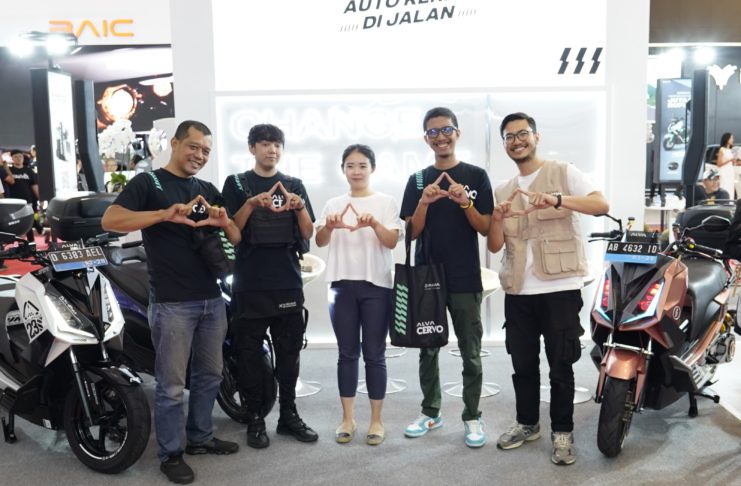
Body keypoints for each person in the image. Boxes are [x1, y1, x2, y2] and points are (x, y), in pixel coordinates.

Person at [101, 120, 241, 484]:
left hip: (212, 299)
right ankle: (171, 453)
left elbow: (235, 237)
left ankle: (200, 437)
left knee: (209, 375)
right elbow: (111, 219)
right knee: (171, 384)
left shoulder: (206, 189)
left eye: (206, 151)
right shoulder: (149, 183)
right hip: (171, 302)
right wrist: (165, 214)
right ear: (175, 143)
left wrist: (225, 223)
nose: (199, 155)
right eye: (194, 146)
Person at [487, 112, 609, 466]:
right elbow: (494, 245)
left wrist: (558, 199)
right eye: (509, 137)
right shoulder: (504, 190)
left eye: (522, 133)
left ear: (536, 137)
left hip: (560, 288)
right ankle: (527, 423)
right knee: (522, 365)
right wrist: (496, 219)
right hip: (518, 292)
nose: (516, 141)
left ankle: (562, 432)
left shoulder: (563, 172)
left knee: (560, 367)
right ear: (505, 145)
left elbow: (601, 205)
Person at [399, 107, 494, 448]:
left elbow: (485, 227)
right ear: (426, 138)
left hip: (465, 276)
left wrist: (465, 203)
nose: (441, 137)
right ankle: (431, 411)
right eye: (433, 132)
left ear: (457, 132)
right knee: (428, 350)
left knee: (471, 351)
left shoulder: (476, 176)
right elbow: (411, 233)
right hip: (427, 276)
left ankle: (472, 416)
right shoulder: (418, 180)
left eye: (446, 130)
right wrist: (424, 202)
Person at [221, 123, 318, 450]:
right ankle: (255, 418)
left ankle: (288, 415)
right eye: (264, 144)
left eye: (276, 144)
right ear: (252, 148)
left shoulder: (294, 185)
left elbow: (307, 233)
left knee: (289, 353)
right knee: (248, 355)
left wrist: (298, 206)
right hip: (249, 283)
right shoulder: (236, 183)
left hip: (287, 282)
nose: (271, 150)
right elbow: (233, 233)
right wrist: (251, 204)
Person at [315, 144, 402, 446]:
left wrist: (374, 223)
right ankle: (348, 419)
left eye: (362, 165)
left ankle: (376, 420)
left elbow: (391, 241)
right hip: (341, 286)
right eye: (350, 166)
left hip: (377, 286)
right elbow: (320, 240)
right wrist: (329, 226)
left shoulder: (386, 202)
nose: (356, 171)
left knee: (375, 354)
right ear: (343, 169)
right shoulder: (333, 203)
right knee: (347, 353)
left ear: (372, 168)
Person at [7, 149, 40, 241]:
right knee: (16, 223)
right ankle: (20, 243)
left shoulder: (29, 171)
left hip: (27, 201)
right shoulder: (9, 171)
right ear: (12, 158)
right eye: (16, 157)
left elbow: (35, 187)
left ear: (23, 158)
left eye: (20, 156)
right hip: (13, 202)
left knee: (28, 223)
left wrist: (40, 199)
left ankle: (31, 243)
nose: (18, 158)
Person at [716, 132, 737, 199]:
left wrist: (734, 161)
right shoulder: (722, 149)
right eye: (731, 138)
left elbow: (731, 162)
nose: (732, 140)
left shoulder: (730, 150)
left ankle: (730, 202)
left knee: (730, 188)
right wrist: (729, 160)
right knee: (725, 187)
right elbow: (719, 164)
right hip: (724, 173)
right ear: (727, 139)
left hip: (730, 172)